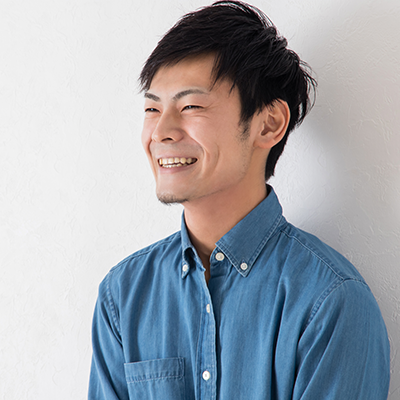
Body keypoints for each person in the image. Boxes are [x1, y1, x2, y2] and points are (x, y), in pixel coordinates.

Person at [88, 1, 390, 399]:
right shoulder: (124, 295)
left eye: (191, 106)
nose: (161, 131)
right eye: (152, 108)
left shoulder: (330, 301)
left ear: (269, 124)